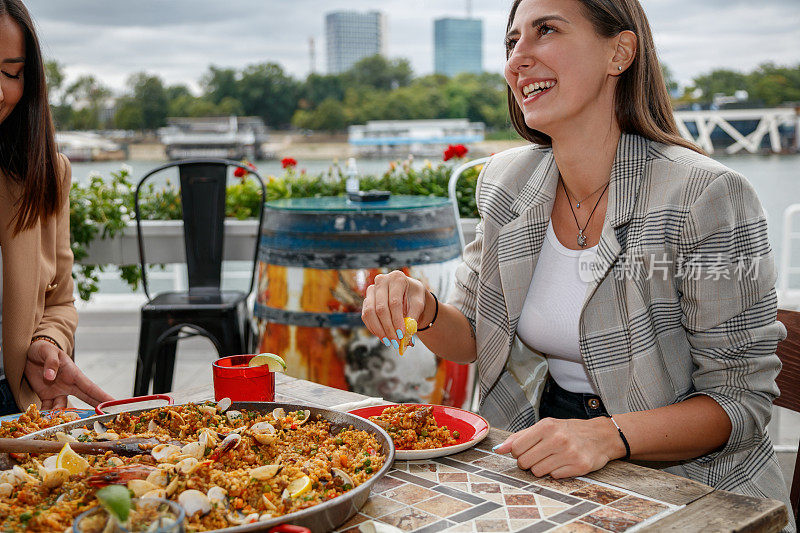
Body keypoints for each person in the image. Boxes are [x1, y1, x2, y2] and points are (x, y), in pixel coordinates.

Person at [361, 0, 794, 529]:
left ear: (620, 52)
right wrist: (423, 308)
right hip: (548, 461)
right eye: (512, 41)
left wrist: (606, 435)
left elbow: (740, 404)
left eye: (546, 31)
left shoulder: (705, 194)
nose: (518, 58)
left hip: (697, 489)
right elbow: (474, 334)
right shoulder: (505, 182)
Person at [0, 0, 113, 415]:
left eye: (11, 73)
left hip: (18, 411)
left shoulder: (45, 173)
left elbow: (60, 301)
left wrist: (45, 344)